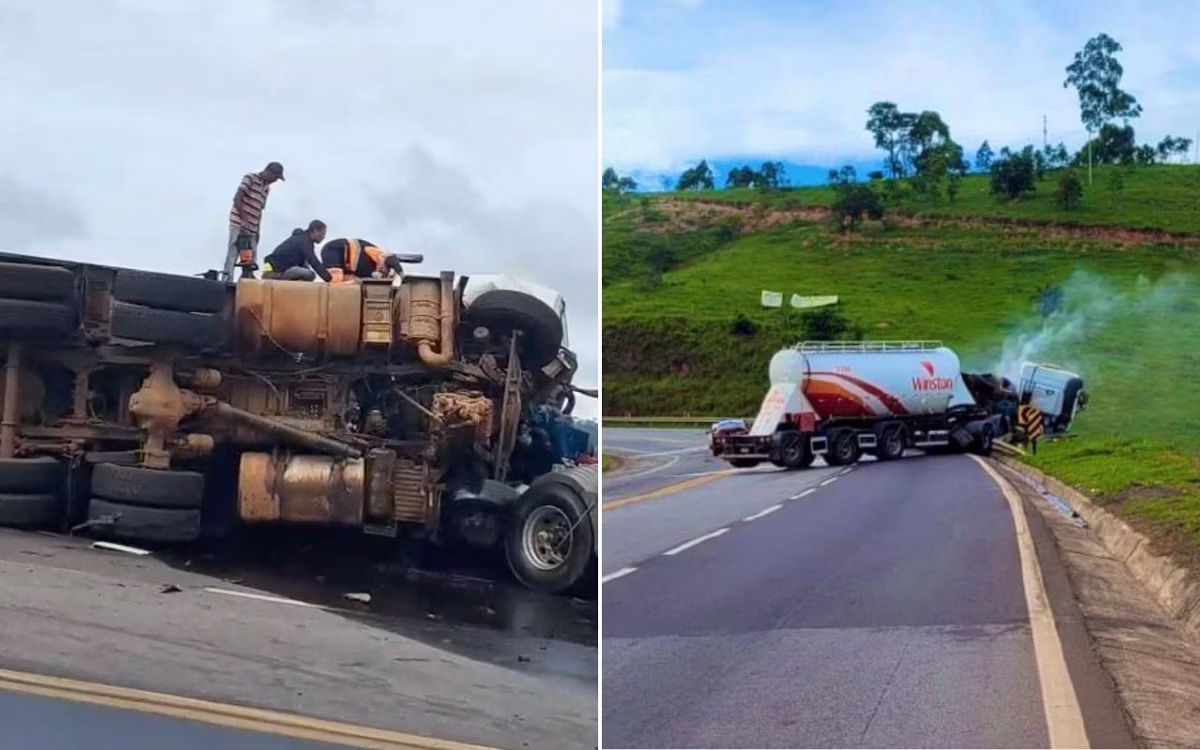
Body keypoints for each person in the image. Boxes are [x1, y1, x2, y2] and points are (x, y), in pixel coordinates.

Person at [225, 161, 285, 281]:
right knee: (233, 252)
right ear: (269, 172)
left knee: (249, 257)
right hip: (238, 223)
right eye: (275, 177)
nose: (275, 181)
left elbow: (259, 210)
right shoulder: (250, 178)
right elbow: (237, 199)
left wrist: (257, 230)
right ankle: (227, 279)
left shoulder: (266, 188)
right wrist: (244, 220)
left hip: (252, 227)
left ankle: (247, 279)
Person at [260, 220, 333, 282]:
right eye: (322, 234)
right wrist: (329, 278)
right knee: (310, 275)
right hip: (275, 273)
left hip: (278, 269)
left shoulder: (302, 239)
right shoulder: (304, 242)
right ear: (314, 231)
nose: (323, 237)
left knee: (305, 267)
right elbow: (314, 261)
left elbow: (305, 264)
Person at [319, 238, 405, 282]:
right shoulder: (379, 255)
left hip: (343, 264)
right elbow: (391, 259)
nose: (383, 273)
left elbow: (357, 278)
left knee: (348, 283)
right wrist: (402, 274)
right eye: (385, 272)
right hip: (336, 250)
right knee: (335, 281)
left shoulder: (371, 273)